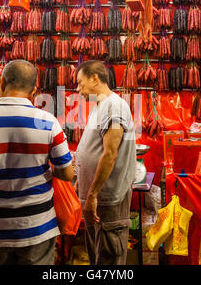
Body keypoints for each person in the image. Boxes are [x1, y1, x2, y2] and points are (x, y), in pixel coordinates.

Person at [0, 59, 74, 265]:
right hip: (38, 227)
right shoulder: (48, 122)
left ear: (1, 83)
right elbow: (67, 174)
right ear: (35, 90)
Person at [75, 60, 136, 265]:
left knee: (109, 255)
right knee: (98, 256)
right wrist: (81, 182)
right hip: (98, 198)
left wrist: (92, 194)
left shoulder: (114, 106)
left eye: (80, 83)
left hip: (108, 197)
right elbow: (95, 149)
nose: (78, 89)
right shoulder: (100, 106)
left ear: (95, 79)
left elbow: (110, 154)